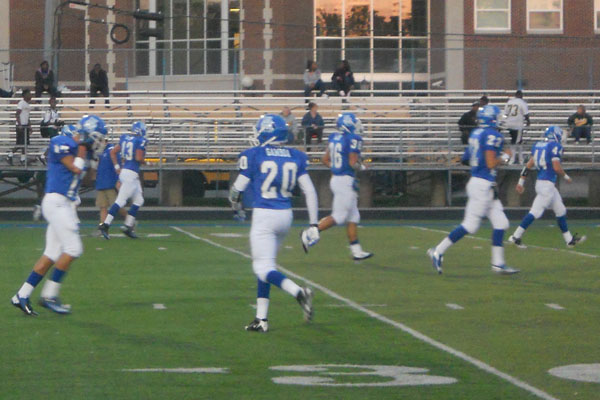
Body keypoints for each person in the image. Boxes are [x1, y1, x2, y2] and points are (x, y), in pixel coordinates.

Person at [229, 114, 318, 333]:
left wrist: (235, 206)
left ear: (268, 132)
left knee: (262, 267)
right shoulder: (296, 156)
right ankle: (261, 319)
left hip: (264, 215)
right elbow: (309, 190)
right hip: (285, 216)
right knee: (267, 266)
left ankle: (299, 292)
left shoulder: (255, 154)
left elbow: (237, 190)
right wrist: (314, 224)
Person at [11, 116, 106, 316]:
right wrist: (83, 149)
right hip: (56, 202)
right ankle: (49, 295)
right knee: (73, 248)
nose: (99, 142)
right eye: (97, 137)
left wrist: (93, 161)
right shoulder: (61, 142)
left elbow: (87, 178)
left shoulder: (83, 150)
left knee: (52, 253)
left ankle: (22, 295)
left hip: (65, 204)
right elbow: (74, 167)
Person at [427, 104, 518, 275]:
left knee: (501, 223)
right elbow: (491, 162)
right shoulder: (493, 135)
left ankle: (498, 264)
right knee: (470, 226)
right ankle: (438, 251)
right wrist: (505, 158)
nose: (500, 120)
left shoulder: (476, 134)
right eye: (498, 117)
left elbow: (466, 159)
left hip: (482, 183)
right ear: (492, 118)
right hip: (482, 185)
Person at [301, 112, 373, 260]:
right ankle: (310, 233)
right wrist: (363, 167)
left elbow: (325, 159)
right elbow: (353, 163)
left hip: (337, 179)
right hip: (345, 181)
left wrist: (337, 169)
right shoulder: (354, 138)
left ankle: (356, 251)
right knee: (339, 217)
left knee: (354, 216)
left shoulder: (334, 137)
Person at [508, 126, 586, 248]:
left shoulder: (539, 146)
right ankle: (515, 236)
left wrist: (520, 182)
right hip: (547, 185)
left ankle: (569, 240)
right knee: (535, 212)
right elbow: (556, 167)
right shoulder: (555, 147)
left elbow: (528, 165)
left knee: (560, 210)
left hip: (542, 183)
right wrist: (566, 177)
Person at [98, 121, 147, 239]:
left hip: (127, 173)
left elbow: (113, 152)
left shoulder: (125, 138)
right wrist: (147, 162)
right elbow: (138, 157)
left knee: (139, 200)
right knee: (120, 201)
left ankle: (128, 226)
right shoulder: (140, 141)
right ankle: (105, 225)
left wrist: (116, 167)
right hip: (131, 174)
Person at [95, 140, 127, 224]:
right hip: (101, 183)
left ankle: (130, 221)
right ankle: (102, 228)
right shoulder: (101, 152)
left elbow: (118, 166)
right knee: (103, 207)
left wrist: (118, 180)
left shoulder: (112, 150)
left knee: (117, 207)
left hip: (111, 183)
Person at [502, 90, 530, 164]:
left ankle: (518, 159)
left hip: (509, 124)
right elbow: (526, 114)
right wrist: (528, 122)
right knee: (517, 142)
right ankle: (515, 159)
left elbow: (505, 114)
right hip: (517, 124)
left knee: (515, 140)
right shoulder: (522, 102)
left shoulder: (510, 102)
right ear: (521, 95)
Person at [8, 88, 33, 165]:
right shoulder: (21, 103)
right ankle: (10, 155)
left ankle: (23, 159)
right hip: (21, 126)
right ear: (24, 95)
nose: (30, 95)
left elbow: (27, 116)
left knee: (25, 143)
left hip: (25, 126)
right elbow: (17, 114)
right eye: (29, 94)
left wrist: (30, 126)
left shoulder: (28, 105)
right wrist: (19, 124)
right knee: (20, 143)